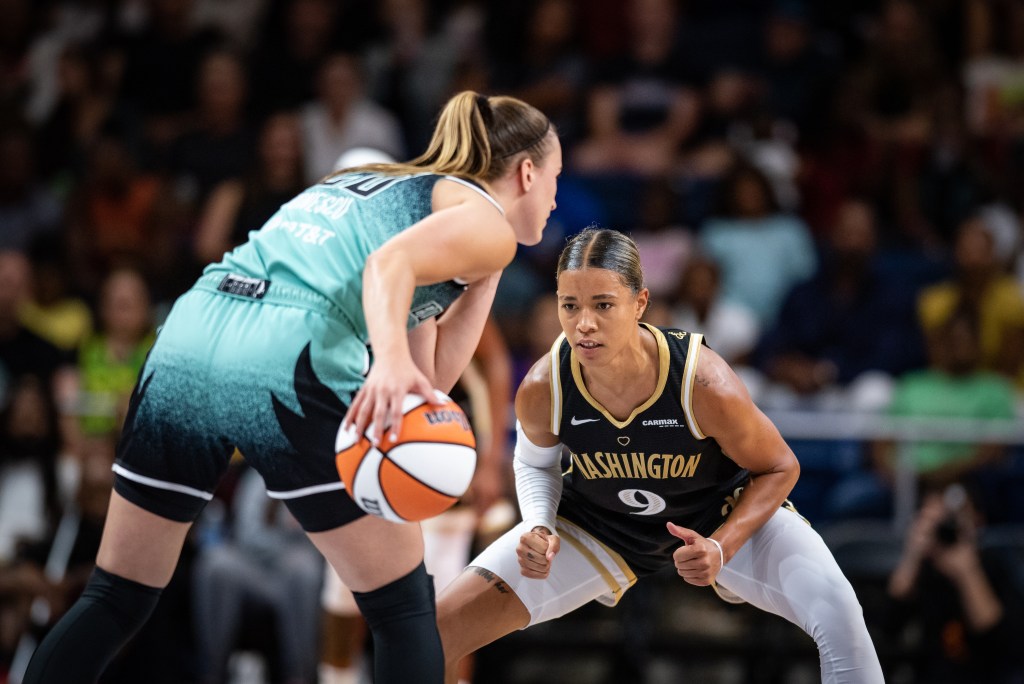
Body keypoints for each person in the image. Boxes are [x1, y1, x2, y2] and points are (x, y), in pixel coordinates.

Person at [22, 89, 561, 684]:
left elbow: (428, 381)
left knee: (117, 595)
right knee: (404, 611)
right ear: (527, 173)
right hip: (284, 349)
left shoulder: (386, 182)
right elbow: (388, 268)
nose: (556, 198)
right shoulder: (484, 220)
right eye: (555, 179)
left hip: (192, 329)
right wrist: (386, 359)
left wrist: (483, 281)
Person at [436, 228, 884, 684]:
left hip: (715, 515)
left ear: (640, 303)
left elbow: (780, 466)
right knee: (437, 632)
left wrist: (722, 545)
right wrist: (538, 523)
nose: (583, 323)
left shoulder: (702, 381)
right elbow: (535, 462)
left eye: (603, 305)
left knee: (839, 612)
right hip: (600, 524)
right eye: (570, 305)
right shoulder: (544, 385)